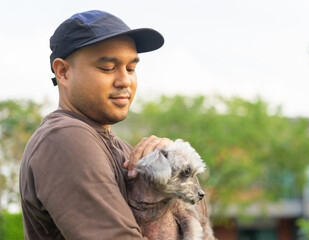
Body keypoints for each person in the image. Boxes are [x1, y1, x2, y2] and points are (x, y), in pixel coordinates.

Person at [19, 10, 207, 239]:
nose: (125, 80)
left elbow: (200, 222)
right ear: (63, 72)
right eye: (108, 68)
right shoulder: (63, 137)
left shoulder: (126, 149)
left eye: (131, 68)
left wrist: (176, 157)